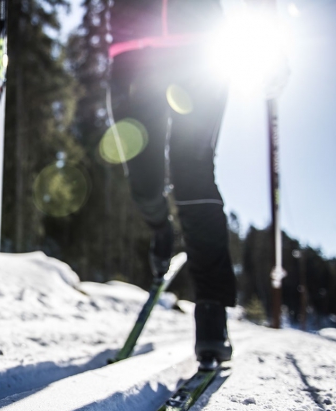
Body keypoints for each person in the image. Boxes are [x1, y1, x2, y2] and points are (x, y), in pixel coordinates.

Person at [106, 0, 234, 367]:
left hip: (201, 50)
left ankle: (211, 311)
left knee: (193, 174)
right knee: (143, 183)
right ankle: (162, 232)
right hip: (133, 54)